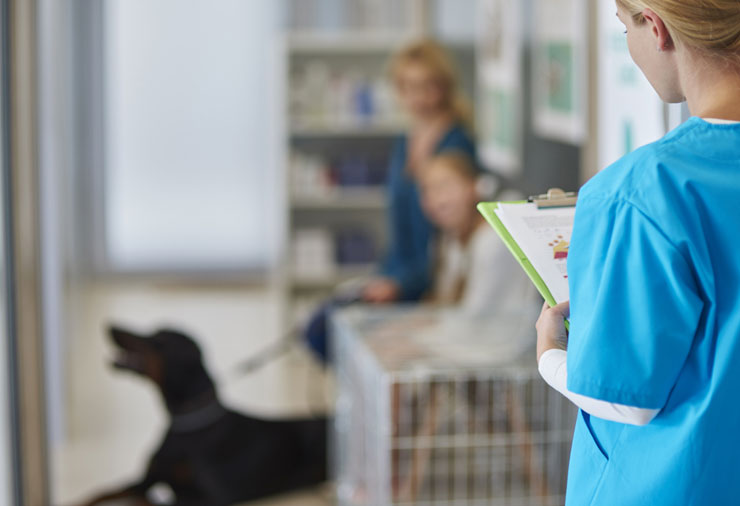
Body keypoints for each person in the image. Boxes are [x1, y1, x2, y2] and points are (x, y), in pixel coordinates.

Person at [535, 1, 740, 504]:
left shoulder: (641, 190)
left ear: (656, 26)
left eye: (625, 26)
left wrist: (550, 354)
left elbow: (624, 399)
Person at [362, 39, 477, 304]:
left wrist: (403, 284)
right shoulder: (405, 141)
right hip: (398, 274)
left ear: (444, 86)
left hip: (432, 281)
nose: (418, 97)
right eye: (408, 87)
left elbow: (451, 233)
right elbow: (398, 225)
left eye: (428, 86)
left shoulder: (456, 142)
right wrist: (385, 276)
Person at [418, 151, 535, 317]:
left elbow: (475, 315)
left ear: (474, 187)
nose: (436, 199)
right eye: (426, 190)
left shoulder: (491, 241)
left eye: (445, 186)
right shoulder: (449, 239)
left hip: (502, 337)